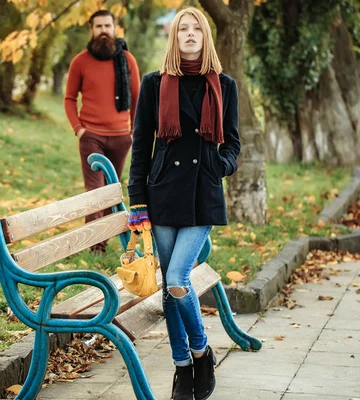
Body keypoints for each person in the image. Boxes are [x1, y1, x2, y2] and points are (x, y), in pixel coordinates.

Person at [127, 7, 241, 400]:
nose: (190, 35)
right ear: (174, 38)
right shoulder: (155, 84)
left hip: (202, 195)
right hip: (162, 195)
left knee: (177, 279)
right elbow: (141, 145)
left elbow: (234, 143)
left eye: (196, 29)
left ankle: (200, 350)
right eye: (182, 30)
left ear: (205, 37)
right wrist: (137, 201)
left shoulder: (224, 85)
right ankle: (182, 370)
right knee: (168, 288)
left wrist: (218, 166)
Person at [64, 9, 141, 255]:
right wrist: (79, 130)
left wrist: (133, 133)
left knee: (110, 191)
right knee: (95, 191)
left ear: (115, 28)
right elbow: (68, 99)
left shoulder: (127, 60)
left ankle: (102, 241)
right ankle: (93, 245)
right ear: (92, 30)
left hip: (121, 138)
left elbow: (138, 100)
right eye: (98, 26)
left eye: (107, 25)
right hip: (91, 137)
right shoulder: (80, 61)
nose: (103, 31)